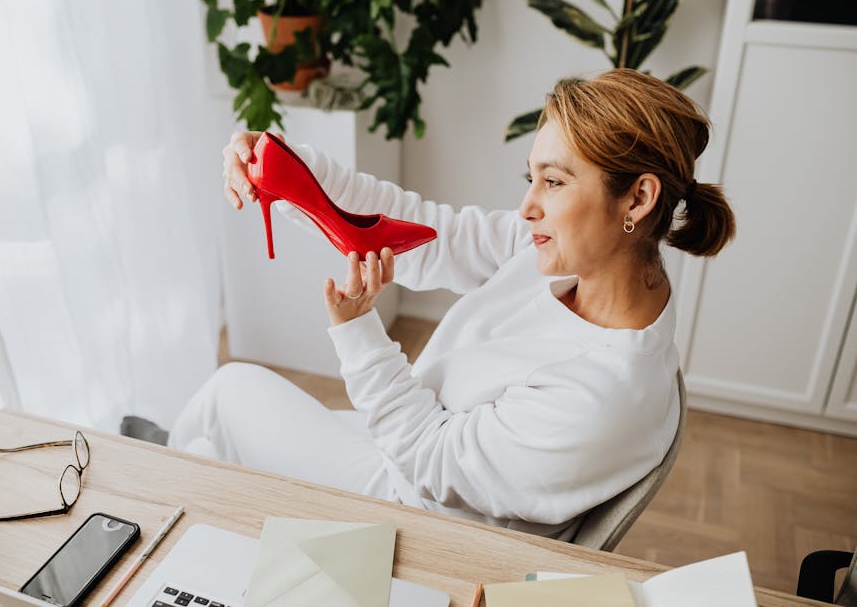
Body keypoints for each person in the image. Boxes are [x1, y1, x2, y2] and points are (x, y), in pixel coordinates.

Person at [125, 68, 735, 538]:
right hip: (404, 447)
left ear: (637, 200)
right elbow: (419, 229)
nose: (527, 206)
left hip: (413, 517)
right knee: (215, 440)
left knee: (223, 397)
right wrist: (283, 169)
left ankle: (160, 491)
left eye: (553, 181)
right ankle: (182, 466)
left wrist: (360, 332)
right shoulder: (575, 260)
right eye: (531, 177)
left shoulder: (603, 394)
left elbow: (431, 461)